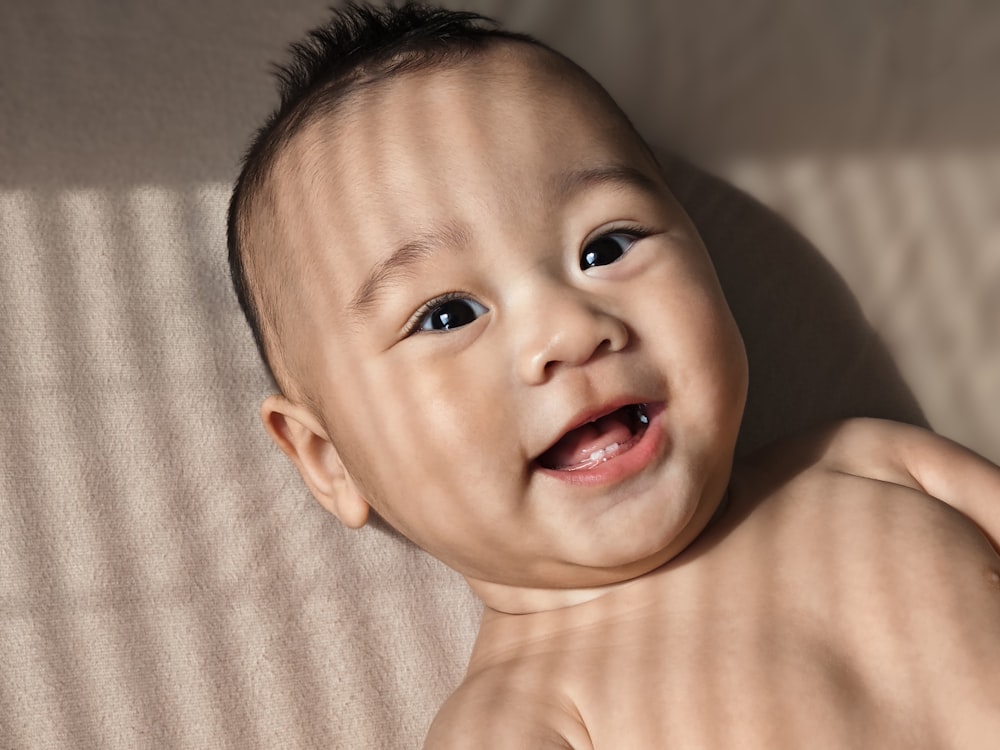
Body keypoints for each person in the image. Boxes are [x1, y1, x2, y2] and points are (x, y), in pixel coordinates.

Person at [227, 3, 1000, 746]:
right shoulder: (524, 718)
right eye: (448, 315)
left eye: (606, 247)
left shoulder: (879, 463)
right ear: (328, 461)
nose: (566, 332)